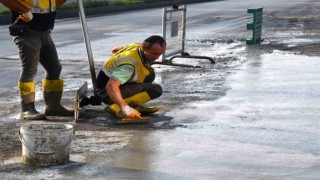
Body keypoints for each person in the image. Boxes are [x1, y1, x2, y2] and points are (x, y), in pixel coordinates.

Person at [0, 0, 73, 120]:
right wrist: (24, 10)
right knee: (29, 69)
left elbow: (53, 3)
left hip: (44, 30)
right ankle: (27, 109)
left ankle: (53, 107)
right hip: (27, 30)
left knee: (54, 68)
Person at [95, 35, 166, 119]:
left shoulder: (136, 46)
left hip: (103, 86)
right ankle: (117, 107)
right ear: (144, 48)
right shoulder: (128, 66)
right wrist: (124, 107)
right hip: (106, 94)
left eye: (160, 54)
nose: (157, 57)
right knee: (156, 89)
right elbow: (111, 86)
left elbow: (114, 49)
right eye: (154, 53)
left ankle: (134, 105)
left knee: (150, 74)